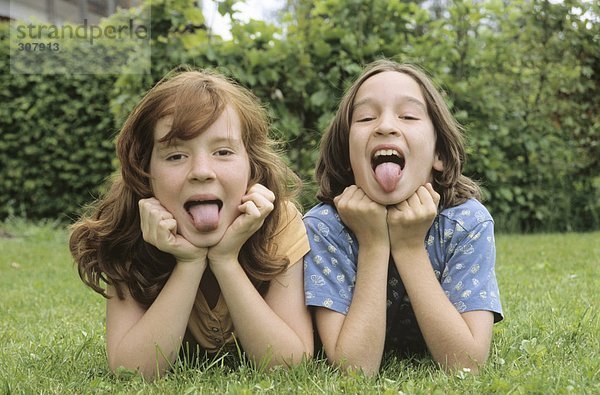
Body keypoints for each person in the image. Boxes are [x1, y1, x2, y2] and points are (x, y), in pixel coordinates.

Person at [69, 68, 313, 379]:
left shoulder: (279, 221)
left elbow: (288, 364)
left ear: (252, 165)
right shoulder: (128, 228)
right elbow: (131, 371)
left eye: (223, 152)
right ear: (145, 170)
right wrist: (190, 262)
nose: (201, 171)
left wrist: (225, 261)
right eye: (175, 156)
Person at [303, 59, 503, 375]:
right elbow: (354, 370)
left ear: (439, 154)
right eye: (366, 117)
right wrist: (373, 243)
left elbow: (467, 365)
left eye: (408, 116)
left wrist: (409, 247)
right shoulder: (324, 228)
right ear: (347, 153)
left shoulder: (467, 223)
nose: (385, 126)